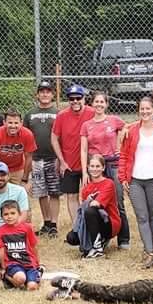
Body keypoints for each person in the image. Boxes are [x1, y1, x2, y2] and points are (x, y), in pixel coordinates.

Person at [119, 97, 153, 268]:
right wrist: (123, 177)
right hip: (135, 181)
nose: (145, 112)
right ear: (138, 110)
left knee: (152, 215)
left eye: (148, 109)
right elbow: (123, 155)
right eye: (142, 109)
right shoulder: (131, 131)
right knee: (142, 216)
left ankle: (148, 248)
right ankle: (150, 252)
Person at [80, 91, 129, 248]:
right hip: (95, 167)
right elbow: (83, 150)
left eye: (102, 102)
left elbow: (127, 127)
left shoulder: (113, 120)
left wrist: (120, 145)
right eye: (96, 102)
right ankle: (101, 236)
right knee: (96, 202)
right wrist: (84, 172)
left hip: (113, 165)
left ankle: (123, 238)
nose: (99, 104)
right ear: (92, 104)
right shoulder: (86, 125)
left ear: (106, 104)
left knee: (117, 201)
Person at [51, 84, 95, 229]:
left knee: (91, 195)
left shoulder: (92, 112)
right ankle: (77, 227)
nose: (75, 101)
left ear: (84, 99)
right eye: (71, 98)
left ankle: (92, 225)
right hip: (69, 163)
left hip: (89, 163)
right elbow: (54, 138)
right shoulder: (62, 115)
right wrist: (62, 161)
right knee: (72, 196)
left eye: (78, 98)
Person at [24, 80, 61, 237]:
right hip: (36, 158)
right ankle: (46, 222)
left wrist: (61, 158)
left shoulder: (58, 113)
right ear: (37, 94)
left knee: (54, 191)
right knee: (41, 191)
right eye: (42, 91)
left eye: (48, 91)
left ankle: (54, 223)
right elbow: (25, 137)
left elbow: (62, 137)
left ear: (52, 94)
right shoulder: (30, 114)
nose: (45, 94)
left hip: (53, 157)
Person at [74, 154, 121, 258]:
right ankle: (97, 240)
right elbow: (82, 207)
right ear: (88, 167)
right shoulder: (86, 188)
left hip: (109, 223)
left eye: (98, 166)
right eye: (92, 166)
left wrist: (87, 201)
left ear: (103, 168)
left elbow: (96, 204)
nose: (95, 169)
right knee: (72, 238)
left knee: (91, 211)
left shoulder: (109, 183)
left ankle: (97, 249)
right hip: (92, 220)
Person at [0, 200, 42, 290]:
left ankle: (36, 275)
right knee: (21, 278)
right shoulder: (0, 231)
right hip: (13, 263)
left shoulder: (27, 228)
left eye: (13, 213)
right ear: (1, 216)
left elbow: (33, 246)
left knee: (32, 287)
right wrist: (3, 267)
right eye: (6, 214)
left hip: (28, 263)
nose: (9, 216)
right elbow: (1, 250)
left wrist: (37, 262)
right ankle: (7, 277)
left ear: (19, 214)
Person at [0, 107, 37, 186]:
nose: (13, 126)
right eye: (10, 123)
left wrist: (25, 178)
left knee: (21, 195)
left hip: (18, 169)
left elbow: (29, 157)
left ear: (21, 123)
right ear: (4, 122)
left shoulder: (27, 134)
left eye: (16, 123)